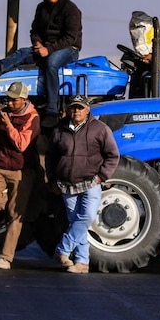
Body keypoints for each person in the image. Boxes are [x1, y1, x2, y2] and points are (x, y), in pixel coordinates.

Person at [0, 0, 81, 122]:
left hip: (68, 48)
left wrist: (48, 50)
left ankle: (52, 110)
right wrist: (38, 44)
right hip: (45, 47)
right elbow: (35, 31)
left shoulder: (71, 10)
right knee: (23, 53)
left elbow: (71, 37)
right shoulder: (41, 8)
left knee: (51, 64)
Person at [45, 95, 120, 274]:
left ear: (87, 109)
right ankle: (82, 262)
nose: (76, 111)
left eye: (80, 107)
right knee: (75, 222)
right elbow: (50, 157)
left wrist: (101, 177)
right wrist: (52, 180)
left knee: (86, 217)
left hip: (91, 183)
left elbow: (113, 155)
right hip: (67, 185)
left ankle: (62, 250)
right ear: (68, 109)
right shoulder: (59, 130)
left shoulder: (100, 129)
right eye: (73, 107)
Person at [0, 81, 41, 270]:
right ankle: (19, 210)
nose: (10, 103)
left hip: (21, 171)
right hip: (0, 166)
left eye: (14, 100)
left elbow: (22, 144)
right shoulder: (2, 114)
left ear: (24, 99)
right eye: (9, 99)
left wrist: (8, 126)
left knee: (15, 218)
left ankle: (5, 257)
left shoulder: (33, 118)